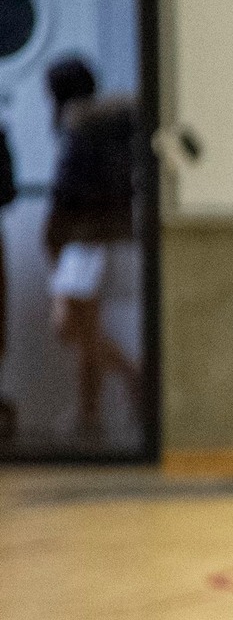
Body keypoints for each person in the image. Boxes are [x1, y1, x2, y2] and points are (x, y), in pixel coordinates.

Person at [43, 56, 140, 441]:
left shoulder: (81, 127)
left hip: (86, 237)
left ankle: (129, 381)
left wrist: (55, 231)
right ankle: (91, 412)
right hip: (106, 232)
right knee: (83, 329)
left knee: (72, 325)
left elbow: (69, 189)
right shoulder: (112, 124)